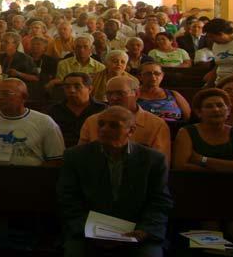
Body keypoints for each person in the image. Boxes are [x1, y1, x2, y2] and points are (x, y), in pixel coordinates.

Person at [58, 106, 172, 257]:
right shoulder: (76, 156)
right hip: (87, 230)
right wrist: (88, 229)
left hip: (137, 229)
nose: (104, 129)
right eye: (101, 124)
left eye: (114, 125)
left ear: (131, 130)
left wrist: (145, 230)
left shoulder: (152, 160)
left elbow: (160, 201)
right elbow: (67, 197)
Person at [172, 88, 233, 252]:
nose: (216, 109)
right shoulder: (187, 132)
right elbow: (180, 166)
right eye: (209, 106)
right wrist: (227, 168)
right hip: (196, 192)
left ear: (228, 110)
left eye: (220, 105)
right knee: (210, 229)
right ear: (199, 112)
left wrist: (202, 160)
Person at [0, 78, 64, 171]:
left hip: (33, 178)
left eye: (6, 94)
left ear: (24, 97)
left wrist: (34, 175)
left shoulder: (45, 122)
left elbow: (55, 160)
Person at [80, 76, 171, 162]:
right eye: (109, 94)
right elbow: (80, 157)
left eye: (120, 93)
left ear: (136, 94)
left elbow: (161, 162)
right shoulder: (92, 121)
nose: (114, 98)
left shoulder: (156, 124)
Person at [47, 73, 106, 148]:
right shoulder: (54, 110)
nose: (71, 90)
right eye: (67, 87)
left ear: (90, 89)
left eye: (77, 86)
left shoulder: (102, 110)